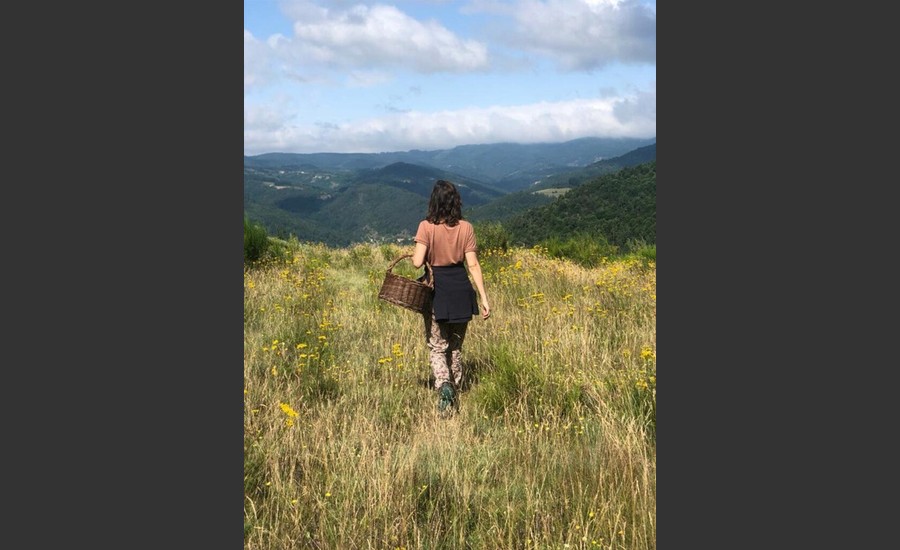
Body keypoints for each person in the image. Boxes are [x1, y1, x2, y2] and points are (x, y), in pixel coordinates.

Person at [412, 179, 491, 415]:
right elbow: (473, 264)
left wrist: (425, 251)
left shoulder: (425, 227)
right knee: (455, 346)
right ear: (456, 202)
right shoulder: (466, 228)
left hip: (439, 291)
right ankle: (455, 390)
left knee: (437, 346)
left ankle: (444, 386)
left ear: (434, 202)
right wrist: (484, 298)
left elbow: (416, 262)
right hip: (461, 289)